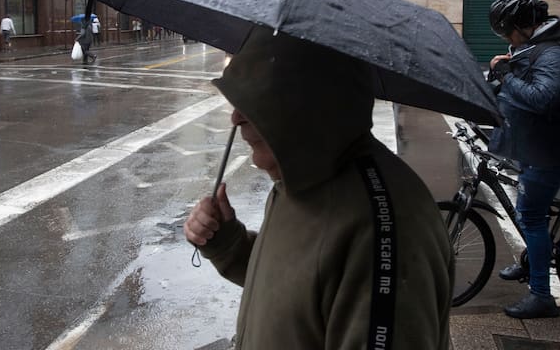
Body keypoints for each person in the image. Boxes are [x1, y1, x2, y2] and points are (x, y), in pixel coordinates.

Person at [184, 26, 453, 350]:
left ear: (309, 105)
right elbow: (300, 286)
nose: (236, 118)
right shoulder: (299, 179)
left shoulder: (380, 230)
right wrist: (227, 242)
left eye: (256, 103)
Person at [486, 0, 560, 319]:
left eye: (509, 31)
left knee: (531, 217)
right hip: (534, 146)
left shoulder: (553, 53)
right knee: (529, 213)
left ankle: (542, 295)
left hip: (549, 150)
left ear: (524, 23)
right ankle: (533, 260)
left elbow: (543, 98)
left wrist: (509, 74)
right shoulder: (533, 47)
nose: (508, 39)